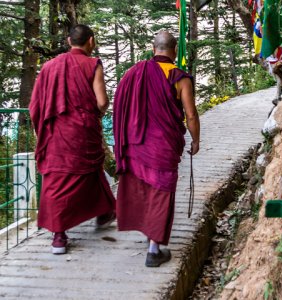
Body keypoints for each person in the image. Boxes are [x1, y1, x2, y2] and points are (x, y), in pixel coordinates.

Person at [113, 31, 200, 267]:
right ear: (174, 52)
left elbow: (119, 106)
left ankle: (148, 234)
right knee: (161, 189)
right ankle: (154, 249)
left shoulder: (133, 73)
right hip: (163, 144)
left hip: (136, 142)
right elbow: (190, 115)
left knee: (143, 186)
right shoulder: (180, 78)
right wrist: (195, 140)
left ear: (154, 49)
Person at [29, 24, 116, 255]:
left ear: (69, 42)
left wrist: (43, 129)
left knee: (57, 178)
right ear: (91, 41)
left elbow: (35, 106)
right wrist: (98, 113)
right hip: (83, 131)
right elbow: (101, 101)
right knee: (90, 171)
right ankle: (104, 212)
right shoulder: (93, 64)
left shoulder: (49, 67)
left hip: (57, 133)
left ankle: (59, 236)